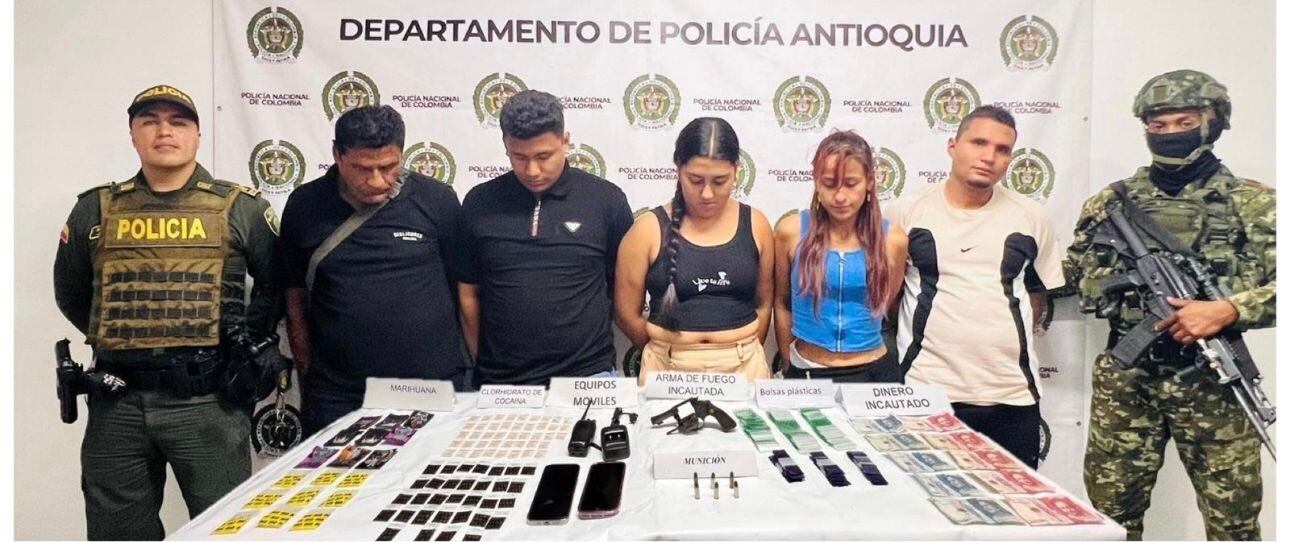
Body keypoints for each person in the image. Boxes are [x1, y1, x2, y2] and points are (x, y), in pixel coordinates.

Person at [53, 84, 279, 540]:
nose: (164, 131)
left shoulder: (241, 207)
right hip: (117, 403)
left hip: (207, 401)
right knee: (117, 533)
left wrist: (241, 343)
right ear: (133, 135)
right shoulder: (94, 209)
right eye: (149, 121)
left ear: (197, 135)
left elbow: (275, 286)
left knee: (226, 529)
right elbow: (72, 294)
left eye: (178, 122)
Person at [1066, 69, 1274, 541]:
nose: (1169, 134)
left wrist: (1229, 310)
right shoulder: (1111, 204)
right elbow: (1078, 274)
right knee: (1109, 521)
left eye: (1184, 121)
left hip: (1214, 383)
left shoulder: (1254, 204)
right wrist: (1122, 284)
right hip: (1129, 380)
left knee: (1235, 527)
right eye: (1157, 126)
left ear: (1213, 122)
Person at [886, 105, 1064, 469]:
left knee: (1015, 515)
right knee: (924, 515)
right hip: (926, 391)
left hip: (1011, 396)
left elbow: (1038, 293)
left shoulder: (1031, 217)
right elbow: (886, 296)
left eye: (1002, 149)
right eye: (978, 143)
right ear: (953, 145)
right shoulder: (905, 212)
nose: (989, 157)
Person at [278, 105, 468, 436]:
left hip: (432, 389)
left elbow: (463, 290)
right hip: (340, 394)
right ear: (337, 155)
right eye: (362, 168)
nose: (377, 180)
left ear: (402, 154)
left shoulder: (437, 200)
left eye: (388, 167)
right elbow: (294, 299)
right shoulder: (305, 206)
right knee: (335, 486)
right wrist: (307, 373)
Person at [458, 90, 634, 385]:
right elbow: (468, 294)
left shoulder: (606, 200)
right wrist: (485, 365)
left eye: (544, 156)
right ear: (505, 147)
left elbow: (624, 289)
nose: (532, 170)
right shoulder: (479, 203)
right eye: (520, 157)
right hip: (501, 383)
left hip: (588, 376)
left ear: (565, 141)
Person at [615, 117, 775, 383]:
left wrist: (738, 350)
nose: (707, 194)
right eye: (696, 180)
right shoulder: (647, 230)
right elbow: (626, 313)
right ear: (678, 170)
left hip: (744, 366)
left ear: (736, 171)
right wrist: (669, 350)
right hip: (667, 367)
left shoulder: (756, 224)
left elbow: (765, 302)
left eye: (720, 181)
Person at [772, 130, 907, 381]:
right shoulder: (790, 232)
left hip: (873, 372)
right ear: (816, 181)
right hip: (806, 368)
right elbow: (781, 302)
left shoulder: (893, 240)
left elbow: (887, 302)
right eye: (829, 183)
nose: (840, 196)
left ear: (869, 181)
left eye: (851, 183)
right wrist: (787, 359)